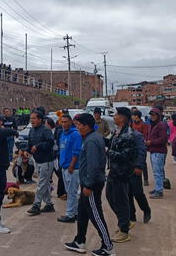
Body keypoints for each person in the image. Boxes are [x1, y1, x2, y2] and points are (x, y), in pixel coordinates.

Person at [64, 113, 114, 256]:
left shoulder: (92, 141)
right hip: (87, 182)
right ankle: (79, 241)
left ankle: (108, 246)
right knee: (83, 213)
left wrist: (88, 185)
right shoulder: (90, 138)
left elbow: (93, 166)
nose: (77, 128)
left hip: (91, 184)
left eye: (79, 125)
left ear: (86, 126)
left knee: (96, 214)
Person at [106, 107, 137, 243]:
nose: (114, 116)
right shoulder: (117, 131)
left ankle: (124, 230)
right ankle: (124, 221)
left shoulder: (128, 135)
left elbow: (125, 156)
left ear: (124, 117)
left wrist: (107, 152)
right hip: (114, 170)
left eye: (117, 114)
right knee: (109, 196)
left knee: (121, 200)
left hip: (122, 172)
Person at [26, 110, 56, 216]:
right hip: (37, 161)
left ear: (40, 119)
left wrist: (38, 146)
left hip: (46, 161)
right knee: (45, 183)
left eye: (34, 118)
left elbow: (50, 143)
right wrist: (26, 151)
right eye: (31, 118)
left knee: (41, 183)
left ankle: (36, 205)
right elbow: (29, 144)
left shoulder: (46, 130)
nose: (32, 120)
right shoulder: (32, 131)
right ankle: (49, 204)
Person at [57, 114, 82, 223]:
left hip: (72, 168)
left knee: (72, 192)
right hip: (64, 166)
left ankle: (70, 214)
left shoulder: (75, 135)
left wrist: (72, 165)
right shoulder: (63, 133)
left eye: (66, 122)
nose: (64, 124)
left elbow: (76, 152)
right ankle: (75, 212)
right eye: (62, 122)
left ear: (71, 122)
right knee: (70, 191)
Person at [129, 121, 151, 226]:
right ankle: (131, 215)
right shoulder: (119, 134)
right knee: (127, 193)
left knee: (137, 192)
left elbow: (142, 151)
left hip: (134, 168)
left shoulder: (136, 135)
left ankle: (146, 210)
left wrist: (139, 166)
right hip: (124, 169)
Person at [145, 108, 168, 199]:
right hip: (154, 151)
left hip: (159, 151)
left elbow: (163, 139)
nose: (152, 117)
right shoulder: (153, 125)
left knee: (158, 172)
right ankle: (158, 188)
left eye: (154, 115)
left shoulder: (161, 125)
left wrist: (151, 142)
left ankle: (159, 191)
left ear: (158, 116)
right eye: (151, 115)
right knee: (156, 172)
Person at [49, 117, 66, 199]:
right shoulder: (58, 131)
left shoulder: (60, 132)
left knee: (60, 174)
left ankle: (61, 192)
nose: (63, 124)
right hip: (56, 156)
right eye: (62, 122)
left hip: (58, 156)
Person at [131, 110, 150, 186]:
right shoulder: (132, 124)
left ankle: (145, 179)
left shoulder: (144, 124)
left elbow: (145, 135)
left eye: (133, 115)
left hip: (141, 145)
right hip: (133, 145)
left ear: (136, 116)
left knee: (143, 163)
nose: (132, 117)